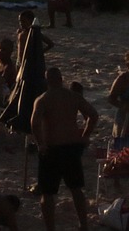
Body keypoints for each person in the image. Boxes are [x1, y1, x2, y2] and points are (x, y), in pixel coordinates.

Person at [31, 66, 98, 231]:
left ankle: (51, 228)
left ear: (47, 82)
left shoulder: (43, 99)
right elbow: (93, 115)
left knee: (47, 194)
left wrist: (40, 143)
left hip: (51, 148)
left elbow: (34, 123)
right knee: (76, 189)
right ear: (61, 79)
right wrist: (84, 135)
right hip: (71, 148)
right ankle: (83, 224)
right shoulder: (73, 96)